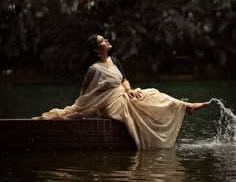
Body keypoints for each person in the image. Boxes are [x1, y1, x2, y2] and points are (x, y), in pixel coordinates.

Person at [32, 34, 209, 149]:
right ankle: (186, 106)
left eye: (105, 39)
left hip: (123, 95)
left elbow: (124, 79)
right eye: (102, 41)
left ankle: (186, 106)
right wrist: (82, 107)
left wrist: (129, 90)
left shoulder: (114, 60)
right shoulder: (94, 69)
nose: (107, 40)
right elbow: (86, 91)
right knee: (141, 102)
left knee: (152, 93)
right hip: (109, 105)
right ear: (96, 49)